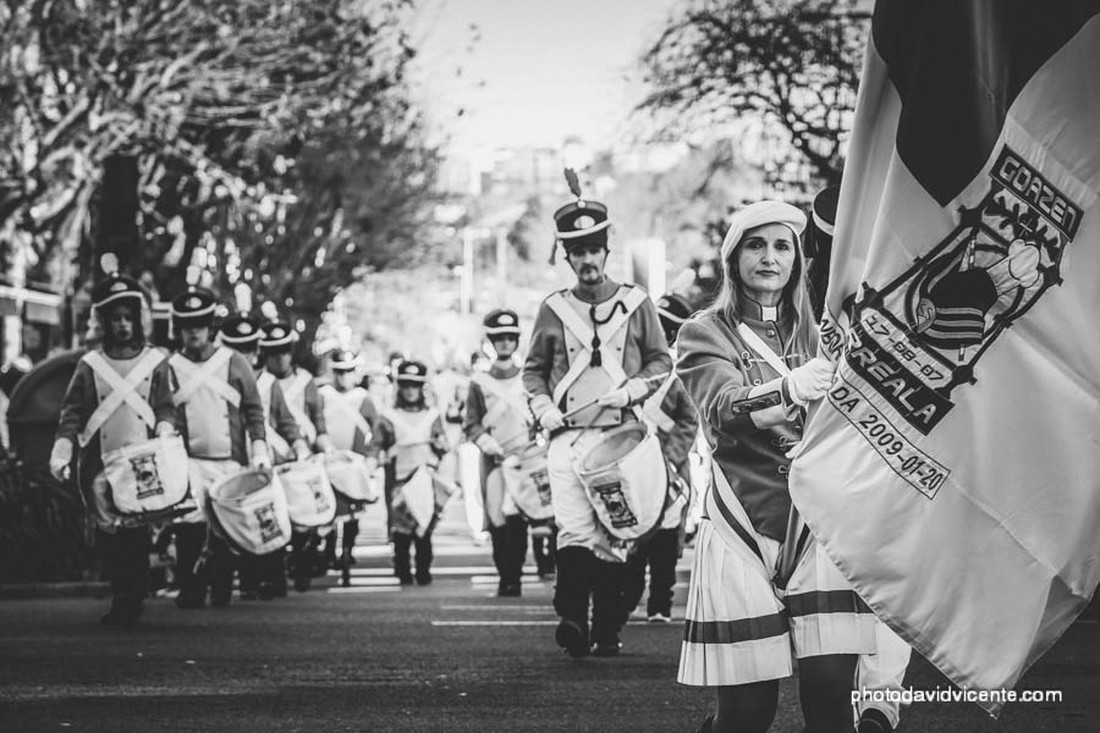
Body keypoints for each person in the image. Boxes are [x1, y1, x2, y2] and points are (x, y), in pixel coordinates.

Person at [674, 201, 877, 733]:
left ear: (797, 260)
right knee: (747, 713)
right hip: (741, 526)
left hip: (819, 526)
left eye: (782, 246)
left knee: (831, 699)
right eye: (756, 245)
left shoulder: (825, 336)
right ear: (733, 258)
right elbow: (722, 408)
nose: (769, 257)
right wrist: (787, 387)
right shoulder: (703, 332)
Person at [523, 171, 672, 658]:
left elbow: (661, 362)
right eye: (577, 252)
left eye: (593, 249)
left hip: (619, 438)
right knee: (573, 529)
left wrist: (631, 391)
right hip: (567, 437)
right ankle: (571, 617)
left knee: (612, 536)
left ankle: (606, 627)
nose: (587, 260)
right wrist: (544, 407)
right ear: (567, 257)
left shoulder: (636, 303)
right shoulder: (552, 309)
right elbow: (533, 371)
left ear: (606, 251)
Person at [803, 186, 913, 733]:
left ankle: (871, 707)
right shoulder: (905, 275)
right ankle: (877, 703)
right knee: (882, 584)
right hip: (864, 461)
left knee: (860, 588)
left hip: (851, 461)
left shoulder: (802, 298)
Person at [50, 261, 177, 626]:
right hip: (100, 465)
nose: (122, 325)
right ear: (104, 322)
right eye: (115, 318)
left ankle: (130, 596)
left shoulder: (156, 362)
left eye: (128, 318)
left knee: (135, 531)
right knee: (109, 534)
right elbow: (72, 413)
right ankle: (124, 590)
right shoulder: (89, 365)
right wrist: (63, 449)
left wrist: (165, 429)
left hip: (142, 463)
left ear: (138, 320)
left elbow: (165, 406)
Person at [169, 288, 270, 609]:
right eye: (187, 326)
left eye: (199, 324)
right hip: (189, 460)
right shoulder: (170, 366)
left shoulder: (234, 361)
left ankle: (222, 588)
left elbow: (253, 411)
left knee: (225, 527)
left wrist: (259, 450)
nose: (194, 332)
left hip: (230, 460)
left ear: (210, 327)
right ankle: (190, 587)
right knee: (189, 525)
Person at [620, 293, 698, 625]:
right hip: (631, 467)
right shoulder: (628, 367)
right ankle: (626, 597)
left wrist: (667, 459)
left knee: (665, 540)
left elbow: (689, 421)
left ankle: (660, 603)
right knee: (631, 537)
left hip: (670, 468)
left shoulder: (683, 372)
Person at [219, 314, 302, 600]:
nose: (244, 356)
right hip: (232, 460)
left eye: (248, 349)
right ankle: (244, 580)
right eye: (237, 349)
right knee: (238, 522)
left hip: (266, 461)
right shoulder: (218, 378)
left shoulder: (269, 382)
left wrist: (298, 443)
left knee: (268, 518)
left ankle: (273, 578)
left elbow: (285, 420)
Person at [257, 320, 333, 592]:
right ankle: (274, 576)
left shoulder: (305, 381)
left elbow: (319, 421)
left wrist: (326, 449)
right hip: (271, 460)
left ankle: (302, 568)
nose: (279, 357)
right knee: (273, 519)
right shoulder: (259, 382)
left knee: (304, 519)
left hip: (301, 458)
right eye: (273, 352)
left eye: (284, 351)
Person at [464, 308, 534, 597]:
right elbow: (471, 423)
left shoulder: (529, 378)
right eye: (499, 338)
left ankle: (515, 576)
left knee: (520, 519)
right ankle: (504, 574)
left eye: (510, 337)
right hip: (494, 459)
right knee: (496, 518)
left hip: (524, 459)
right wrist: (485, 442)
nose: (505, 342)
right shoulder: (479, 382)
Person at [371, 359, 450, 585]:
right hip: (399, 480)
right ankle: (403, 569)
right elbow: (376, 444)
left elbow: (443, 443)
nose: (410, 390)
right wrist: (374, 460)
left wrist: (441, 445)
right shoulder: (388, 416)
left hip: (425, 479)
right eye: (405, 385)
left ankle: (423, 569)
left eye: (415, 385)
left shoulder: (432, 415)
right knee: (401, 529)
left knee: (424, 526)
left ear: (422, 388)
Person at [319, 349, 381, 582]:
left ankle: (347, 550)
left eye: (348, 371)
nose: (344, 376)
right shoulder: (322, 395)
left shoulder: (364, 399)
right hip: (327, 463)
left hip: (354, 466)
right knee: (327, 510)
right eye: (340, 372)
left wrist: (372, 459)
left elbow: (376, 433)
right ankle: (327, 550)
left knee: (353, 513)